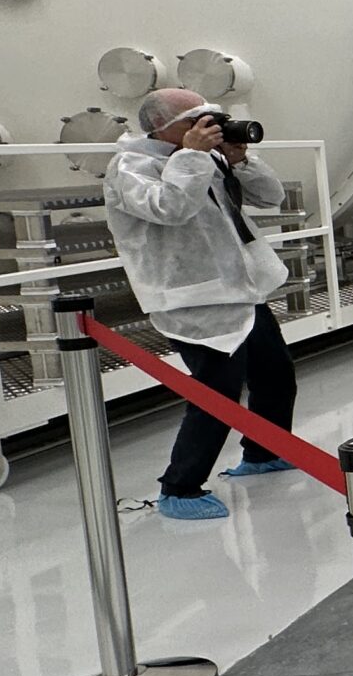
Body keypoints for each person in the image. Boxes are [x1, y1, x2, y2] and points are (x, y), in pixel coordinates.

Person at [105, 89, 297, 521]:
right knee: (217, 393)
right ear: (162, 127)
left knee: (275, 375)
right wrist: (191, 156)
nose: (210, 125)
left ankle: (264, 452)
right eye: (197, 118)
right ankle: (180, 487)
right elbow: (169, 208)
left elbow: (271, 196)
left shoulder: (207, 158)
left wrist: (239, 160)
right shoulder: (131, 166)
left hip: (241, 288)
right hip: (192, 298)